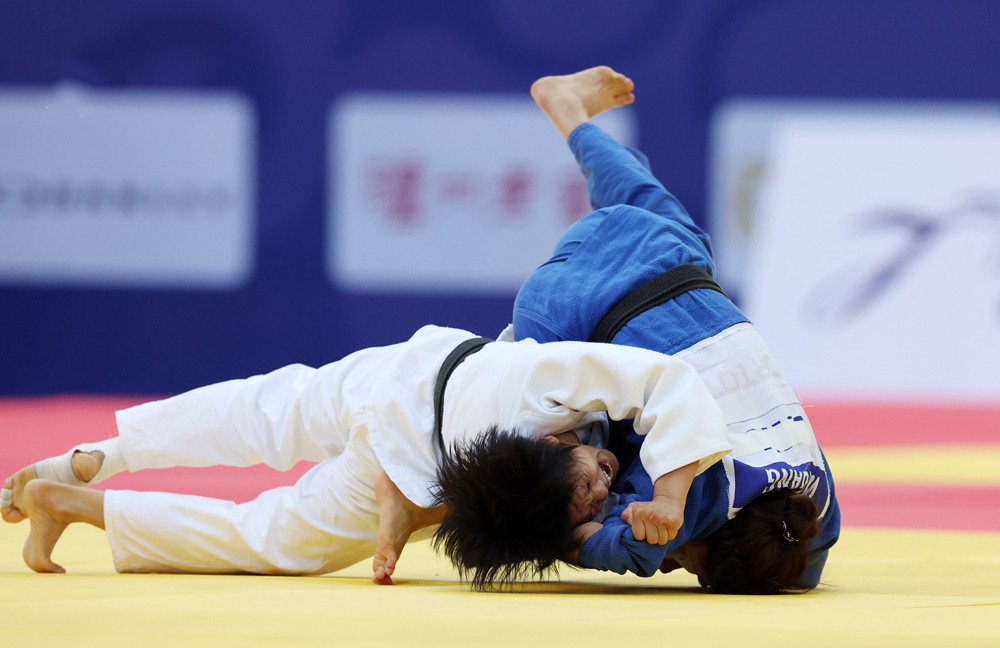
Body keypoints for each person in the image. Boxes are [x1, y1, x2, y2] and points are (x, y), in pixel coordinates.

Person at [430, 66, 840, 593]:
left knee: (636, 193)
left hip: (668, 254)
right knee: (544, 481)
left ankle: (574, 117)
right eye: (691, 566)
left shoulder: (818, 506)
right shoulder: (693, 506)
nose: (674, 565)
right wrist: (606, 539)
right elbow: (636, 550)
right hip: (565, 310)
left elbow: (807, 566)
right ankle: (413, 481)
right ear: (707, 540)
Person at [1, 324, 730, 581]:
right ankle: (83, 506)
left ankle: (100, 454)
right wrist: (670, 497)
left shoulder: (541, 388)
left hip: (403, 373)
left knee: (257, 410)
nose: (607, 486)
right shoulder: (536, 413)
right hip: (405, 453)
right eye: (595, 485)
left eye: (593, 495)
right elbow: (670, 381)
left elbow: (654, 384)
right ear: (547, 444)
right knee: (269, 537)